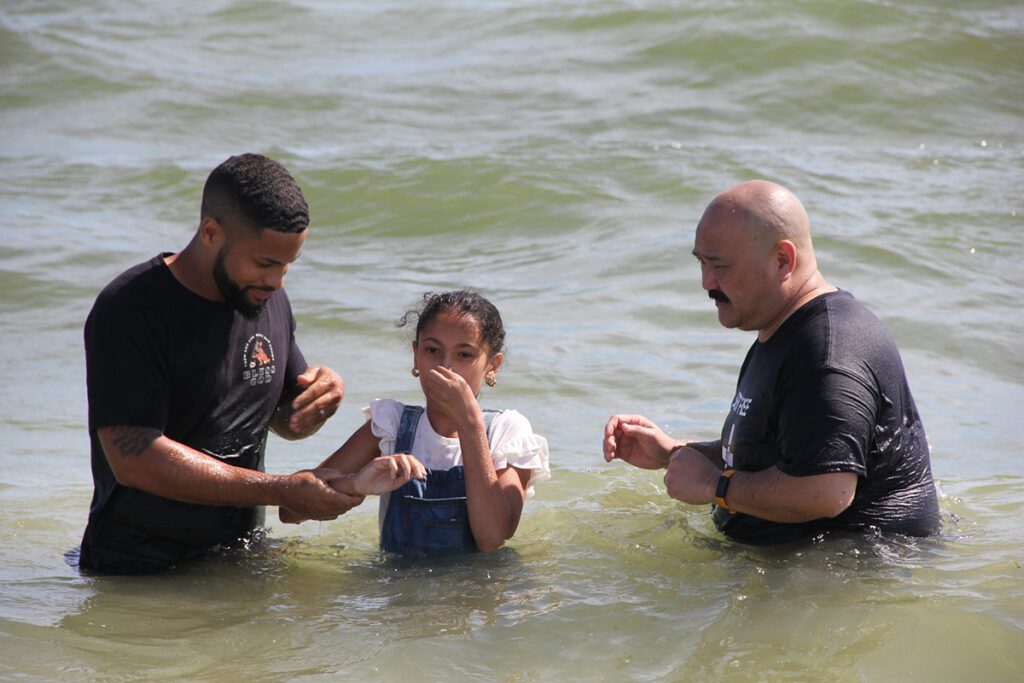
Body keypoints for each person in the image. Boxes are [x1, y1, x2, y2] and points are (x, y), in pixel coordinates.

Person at [80, 153, 388, 574]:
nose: (277, 281)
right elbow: (133, 459)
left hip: (237, 562)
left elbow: (285, 421)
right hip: (139, 573)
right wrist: (280, 490)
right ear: (211, 232)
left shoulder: (265, 296)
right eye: (265, 263)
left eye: (286, 265)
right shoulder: (131, 309)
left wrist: (321, 395)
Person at [603, 180, 940, 544]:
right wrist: (676, 453)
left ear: (783, 259)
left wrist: (713, 485)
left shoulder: (828, 352)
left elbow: (827, 492)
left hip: (843, 580)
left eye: (719, 265)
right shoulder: (784, 329)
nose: (706, 282)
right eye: (701, 262)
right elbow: (787, 453)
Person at [282, 290, 550, 555]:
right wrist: (354, 484)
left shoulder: (507, 432)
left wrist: (470, 424)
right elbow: (290, 511)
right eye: (432, 350)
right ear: (415, 355)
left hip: (473, 596)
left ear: (493, 365)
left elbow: (491, 538)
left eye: (464, 355)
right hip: (399, 594)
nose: (446, 367)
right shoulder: (391, 425)